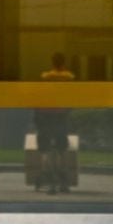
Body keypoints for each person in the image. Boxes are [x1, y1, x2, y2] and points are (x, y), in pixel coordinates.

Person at [34, 52, 75, 194]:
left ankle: (51, 184)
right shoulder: (69, 77)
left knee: (46, 150)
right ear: (63, 62)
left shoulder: (45, 77)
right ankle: (64, 184)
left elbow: (38, 96)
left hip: (45, 115)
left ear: (52, 62)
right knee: (62, 149)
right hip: (61, 115)